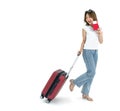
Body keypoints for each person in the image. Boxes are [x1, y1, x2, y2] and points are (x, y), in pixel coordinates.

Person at [69, 9, 103, 101]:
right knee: (92, 72)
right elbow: (83, 40)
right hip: (87, 51)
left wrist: (100, 33)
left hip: (95, 52)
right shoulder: (85, 28)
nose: (88, 19)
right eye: (86, 17)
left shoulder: (97, 27)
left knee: (91, 74)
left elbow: (101, 41)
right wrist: (80, 50)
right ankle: (74, 82)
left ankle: (85, 93)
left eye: (89, 16)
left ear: (93, 17)